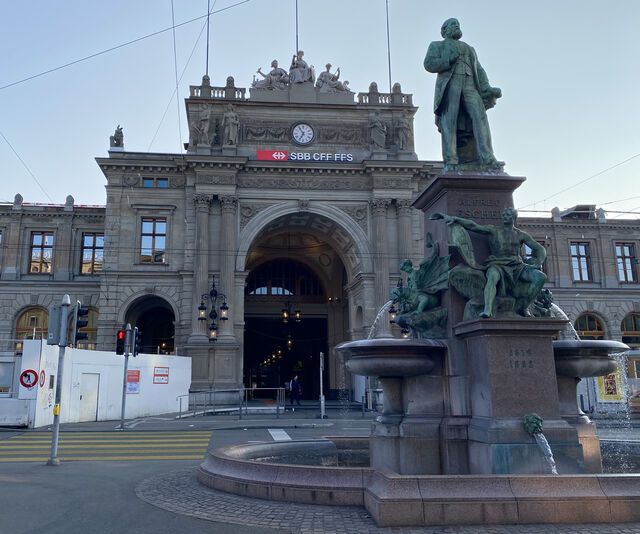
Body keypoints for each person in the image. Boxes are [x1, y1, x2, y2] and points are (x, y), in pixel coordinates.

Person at [430, 207, 547, 318]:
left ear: (514, 217)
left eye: (508, 215)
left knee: (540, 277)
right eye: (504, 215)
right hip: (497, 264)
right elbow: (473, 226)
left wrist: (538, 262)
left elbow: (539, 248)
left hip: (517, 266)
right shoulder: (494, 230)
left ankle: (524, 307)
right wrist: (455, 219)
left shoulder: (521, 235)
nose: (505, 217)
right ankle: (487, 309)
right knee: (492, 277)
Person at [423, 18, 502, 169]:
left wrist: (487, 88)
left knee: (480, 116)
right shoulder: (437, 45)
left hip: (470, 84)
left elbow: (479, 70)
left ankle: (488, 158)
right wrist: (447, 60)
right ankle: (451, 161)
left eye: (458, 24)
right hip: (450, 84)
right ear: (444, 30)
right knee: (449, 121)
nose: (457, 27)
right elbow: (429, 64)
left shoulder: (469, 48)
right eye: (453, 24)